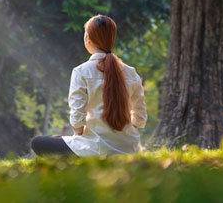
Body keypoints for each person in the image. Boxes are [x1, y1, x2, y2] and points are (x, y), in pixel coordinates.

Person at [30, 15, 147, 156]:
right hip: (129, 148)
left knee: (38, 143)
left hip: (94, 149)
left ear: (88, 40)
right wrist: (123, 135)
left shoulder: (81, 71)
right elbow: (140, 118)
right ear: (112, 39)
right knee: (57, 140)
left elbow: (77, 115)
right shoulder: (131, 72)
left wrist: (78, 136)